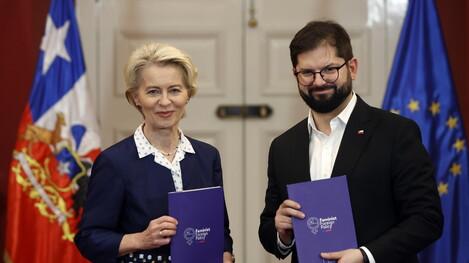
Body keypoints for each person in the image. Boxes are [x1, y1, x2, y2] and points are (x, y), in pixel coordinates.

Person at [258, 20, 443, 263]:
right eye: (307, 73)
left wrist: (366, 255)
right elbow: (269, 230)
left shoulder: (396, 133)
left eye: (329, 70)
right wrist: (281, 233)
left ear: (352, 68)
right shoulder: (283, 147)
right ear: (295, 74)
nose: (319, 81)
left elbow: (427, 219)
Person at [75, 43, 234, 262]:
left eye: (175, 90)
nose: (165, 101)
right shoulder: (114, 162)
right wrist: (140, 240)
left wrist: (225, 255)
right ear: (135, 98)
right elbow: (89, 238)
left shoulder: (207, 156)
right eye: (153, 91)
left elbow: (220, 230)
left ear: (188, 94)